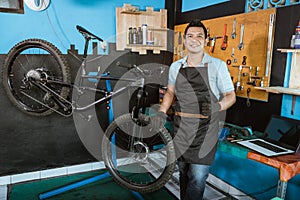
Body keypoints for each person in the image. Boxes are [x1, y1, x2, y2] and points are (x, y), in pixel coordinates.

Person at [153, 19, 236, 200]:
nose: (194, 39)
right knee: (184, 172)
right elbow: (170, 92)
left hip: (205, 130)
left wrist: (218, 105)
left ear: (205, 40)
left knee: (198, 177)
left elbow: (231, 95)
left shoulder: (217, 65)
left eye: (199, 36)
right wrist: (162, 111)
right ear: (184, 40)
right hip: (182, 127)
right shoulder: (177, 66)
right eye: (190, 36)